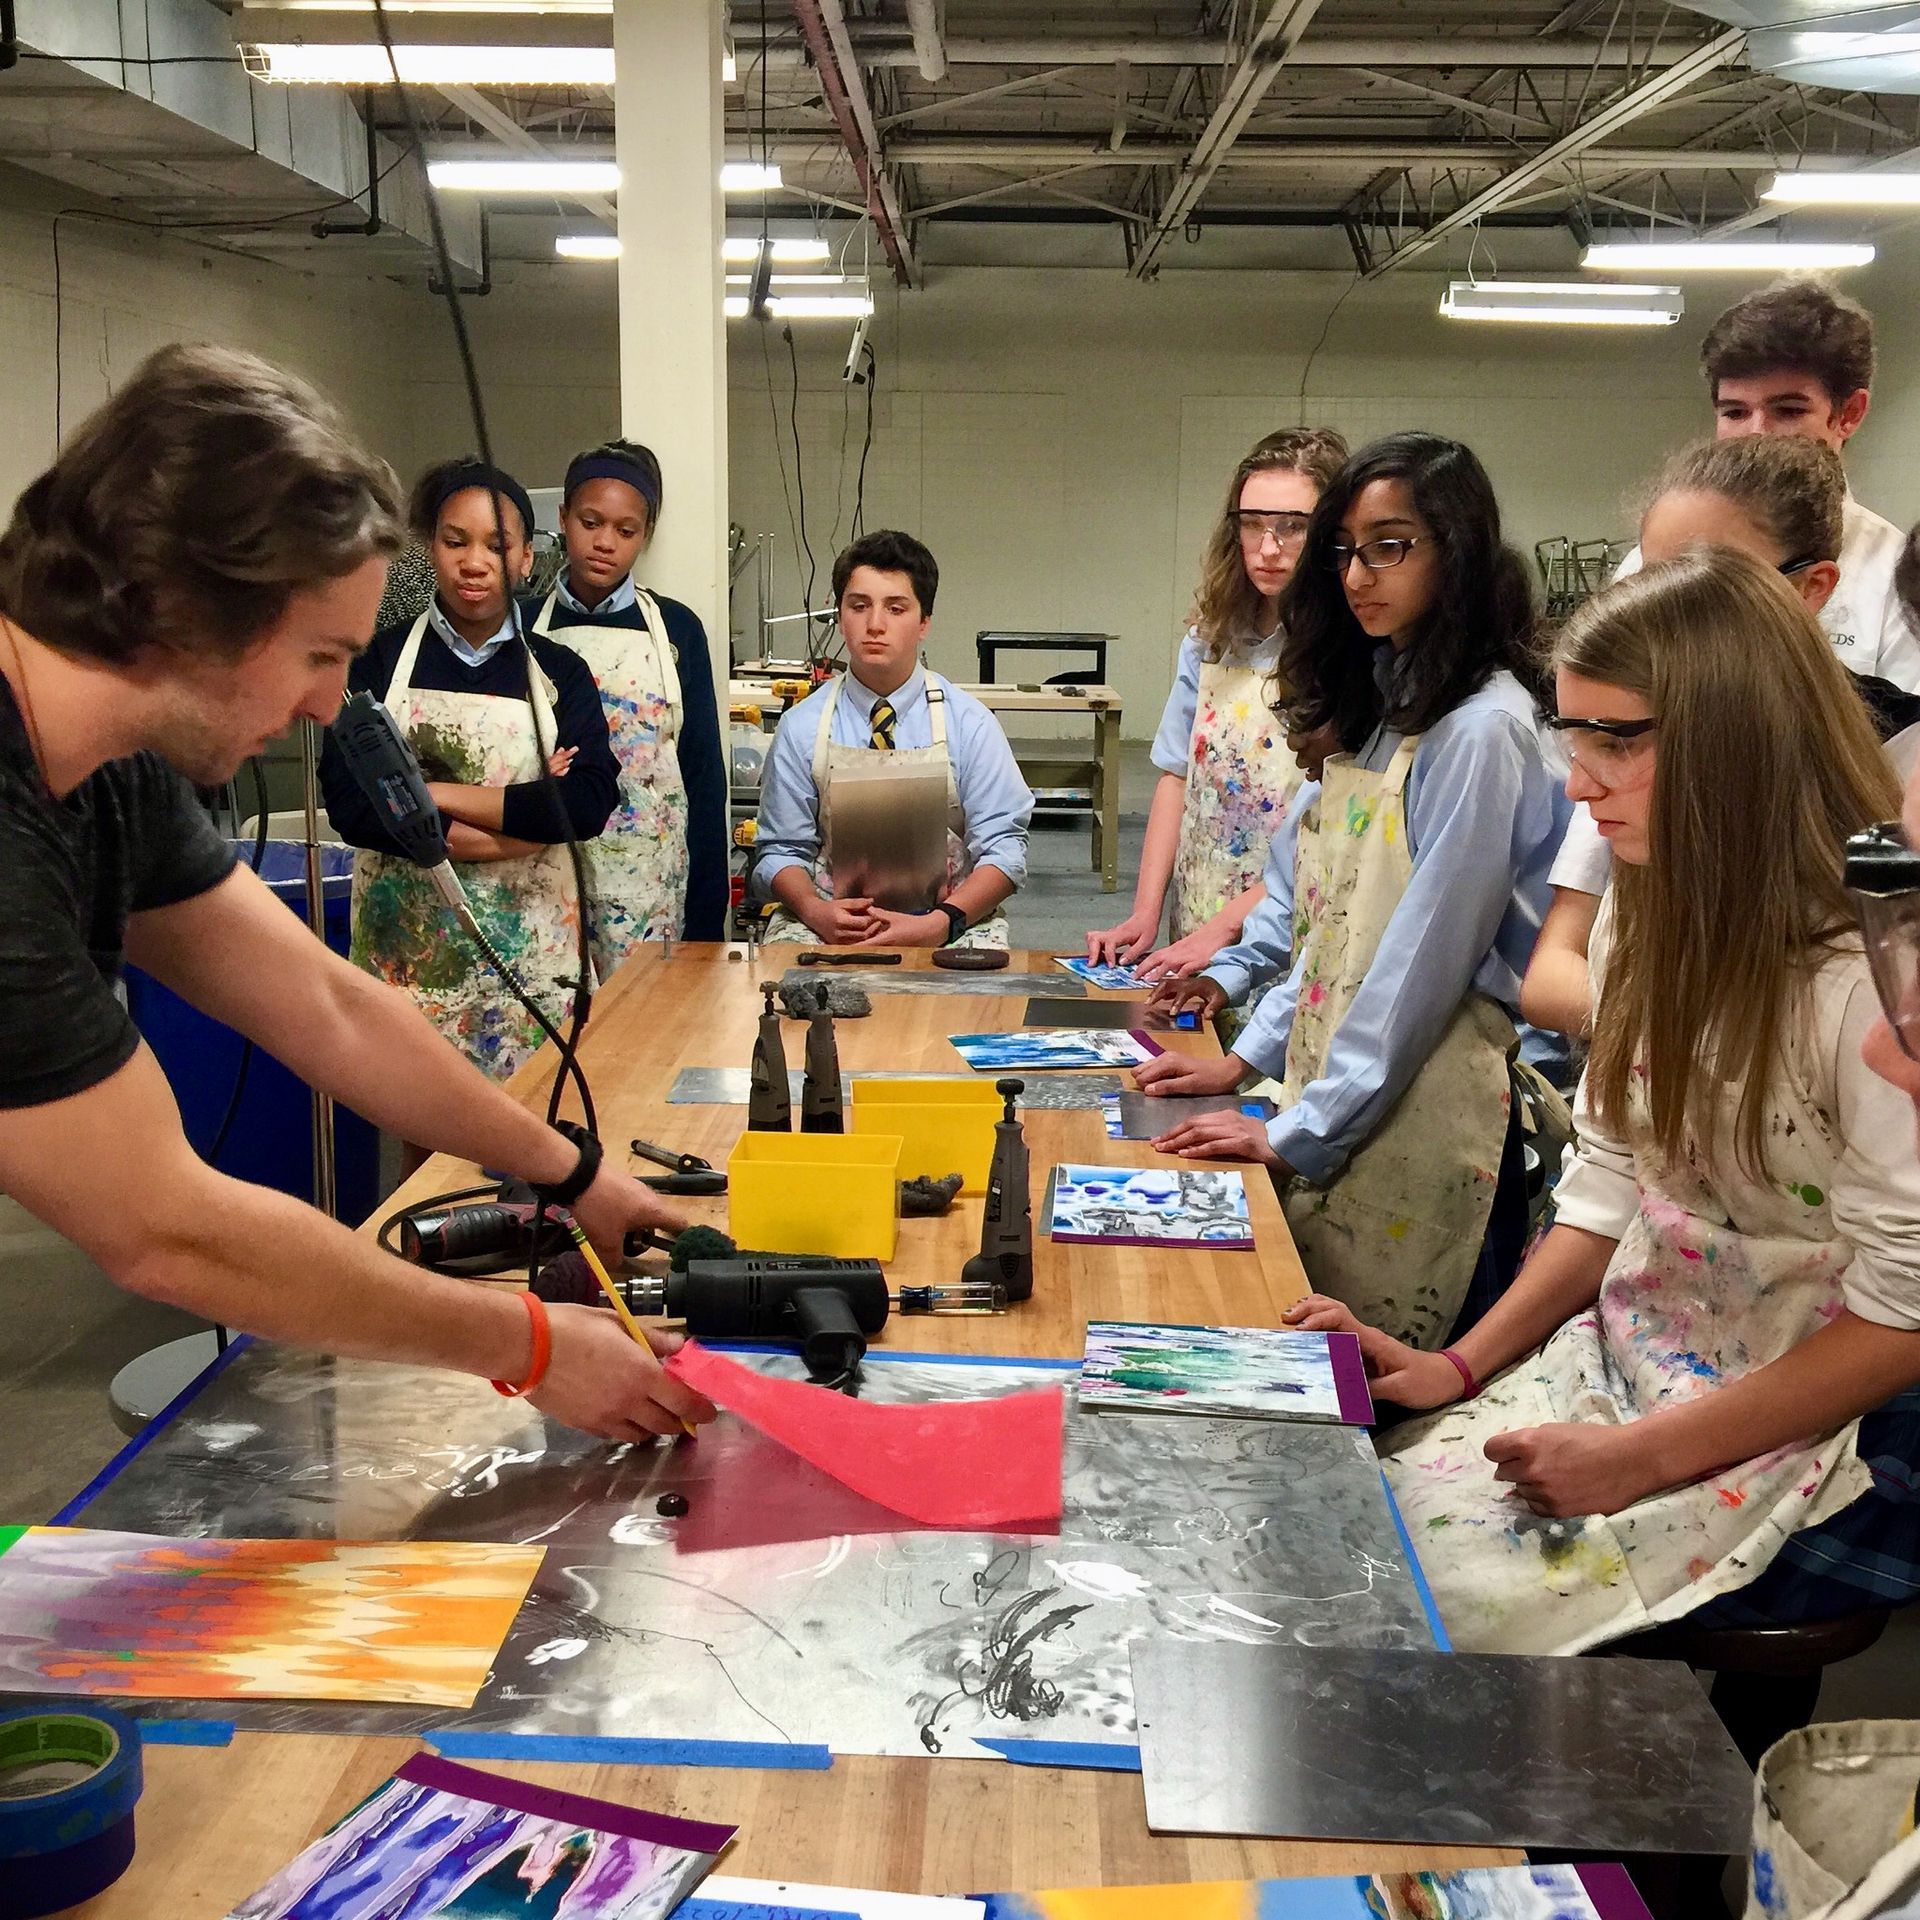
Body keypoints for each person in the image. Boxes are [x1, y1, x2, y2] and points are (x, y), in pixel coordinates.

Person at [0, 344, 711, 1443]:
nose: (334, 705)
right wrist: (525, 1348)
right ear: (187, 603)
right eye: (322, 655)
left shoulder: (111, 767)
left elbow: (327, 1007)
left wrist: (575, 1174)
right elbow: (162, 1227)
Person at [1288, 547, 1920, 1656]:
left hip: (1819, 1411)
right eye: (1573, 737)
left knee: (1422, 1626)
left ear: (1739, 742)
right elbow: (1614, 1187)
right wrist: (1460, 1365)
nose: (1580, 781)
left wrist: (1644, 1459)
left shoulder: (1864, 976)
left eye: (1617, 740)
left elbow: (1900, 1318)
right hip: (1641, 1353)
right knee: (1343, 1551)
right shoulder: (1648, 907)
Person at [1135, 434, 1570, 1352]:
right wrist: (1246, 1062)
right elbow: (1326, 936)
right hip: (1353, 1093)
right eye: (1345, 550)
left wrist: (1303, 1129)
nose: (1358, 574)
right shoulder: (1384, 714)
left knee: (1385, 1385)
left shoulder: (1480, 730)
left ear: (1458, 550)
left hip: (1433, 1105)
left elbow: (1420, 967)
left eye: (1392, 546)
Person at [1522, 434, 1920, 1041]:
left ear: (1813, 588)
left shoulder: (1898, 755)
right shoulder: (1625, 761)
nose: (1657, 620)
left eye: (1704, 590)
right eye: (1652, 582)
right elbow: (1555, 971)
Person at [320, 457, 619, 1080]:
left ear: (527, 558)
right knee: (423, 1136)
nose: (475, 561)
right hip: (411, 955)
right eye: (456, 541)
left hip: (531, 958)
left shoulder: (559, 673)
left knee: (540, 1123)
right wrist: (520, 823)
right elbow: (353, 805)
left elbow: (586, 803)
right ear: (431, 547)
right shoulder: (378, 660)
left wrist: (427, 795)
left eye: (496, 544)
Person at [1085, 426, 1348, 980]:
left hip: (1294, 923)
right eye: (1252, 524)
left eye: (1293, 528)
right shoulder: (1210, 641)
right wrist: (1146, 911)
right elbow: (1176, 776)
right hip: (1199, 910)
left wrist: (1225, 931)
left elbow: (1333, 825)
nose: (1268, 547)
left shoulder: (1351, 656)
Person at [1616, 274, 1920, 689]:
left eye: (1789, 410)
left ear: (1848, 413)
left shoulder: (1894, 580)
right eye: (1735, 413)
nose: (1756, 434)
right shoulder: (1650, 560)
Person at [754, 530, 1034, 949]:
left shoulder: (970, 725)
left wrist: (943, 922)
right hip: (830, 918)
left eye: (896, 608)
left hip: (951, 919)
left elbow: (1005, 852)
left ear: (924, 624)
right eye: (859, 605)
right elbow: (779, 850)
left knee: (970, 1006)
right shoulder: (802, 727)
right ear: (840, 614)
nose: (875, 624)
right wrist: (815, 911)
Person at [526, 439, 729, 965]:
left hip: (650, 892)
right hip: (541, 880)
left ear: (646, 536)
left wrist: (708, 917)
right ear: (564, 518)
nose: (605, 543)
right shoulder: (520, 626)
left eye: (625, 530)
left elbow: (703, 775)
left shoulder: (676, 629)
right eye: (590, 523)